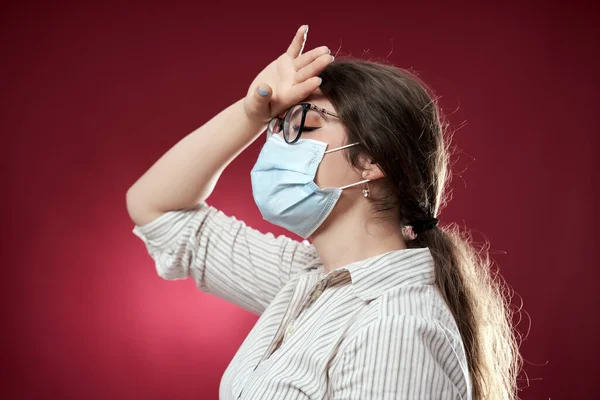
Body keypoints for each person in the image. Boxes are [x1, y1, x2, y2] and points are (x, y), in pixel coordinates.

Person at [126, 25, 521, 400]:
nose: (279, 141)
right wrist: (252, 114)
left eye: (303, 125)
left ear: (370, 160)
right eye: (278, 126)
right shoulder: (310, 280)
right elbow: (157, 209)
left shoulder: (395, 327)